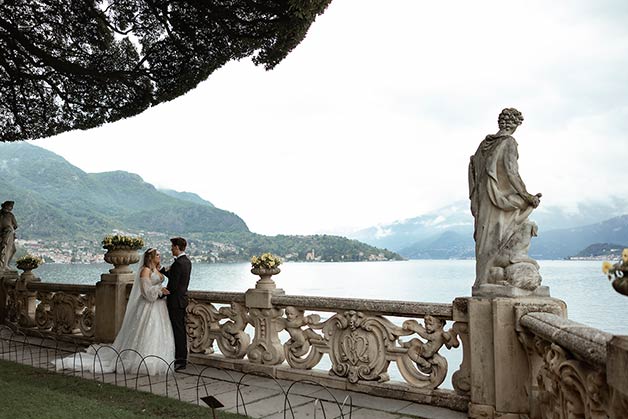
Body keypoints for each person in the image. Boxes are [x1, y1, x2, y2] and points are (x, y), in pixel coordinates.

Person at [55, 248, 175, 375]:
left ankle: (156, 359)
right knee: (147, 332)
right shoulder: (145, 270)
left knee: (157, 333)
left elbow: (163, 277)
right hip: (148, 306)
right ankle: (141, 359)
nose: (159, 257)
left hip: (159, 306)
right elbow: (145, 292)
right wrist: (159, 291)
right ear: (150, 257)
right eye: (157, 255)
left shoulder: (156, 269)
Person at [468, 108, 541, 288]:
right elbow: (511, 173)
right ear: (515, 125)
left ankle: (482, 281)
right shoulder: (508, 142)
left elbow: (473, 172)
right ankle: (490, 277)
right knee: (499, 234)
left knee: (486, 240)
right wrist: (528, 196)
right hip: (497, 200)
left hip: (483, 200)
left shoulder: (483, 146)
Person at [160, 237, 192, 371]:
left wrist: (161, 293)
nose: (171, 249)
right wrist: (162, 270)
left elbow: (173, 285)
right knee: (180, 330)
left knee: (178, 331)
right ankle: (181, 359)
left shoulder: (178, 263)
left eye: (172, 247)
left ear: (177, 247)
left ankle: (180, 360)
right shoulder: (187, 261)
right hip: (182, 300)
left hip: (175, 301)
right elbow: (175, 277)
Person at [0, 200, 18, 271]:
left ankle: (5, 264)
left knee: (8, 250)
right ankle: (5, 265)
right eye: (11, 206)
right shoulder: (10, 215)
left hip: (4, 234)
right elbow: (16, 225)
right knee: (9, 250)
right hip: (8, 235)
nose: (11, 208)